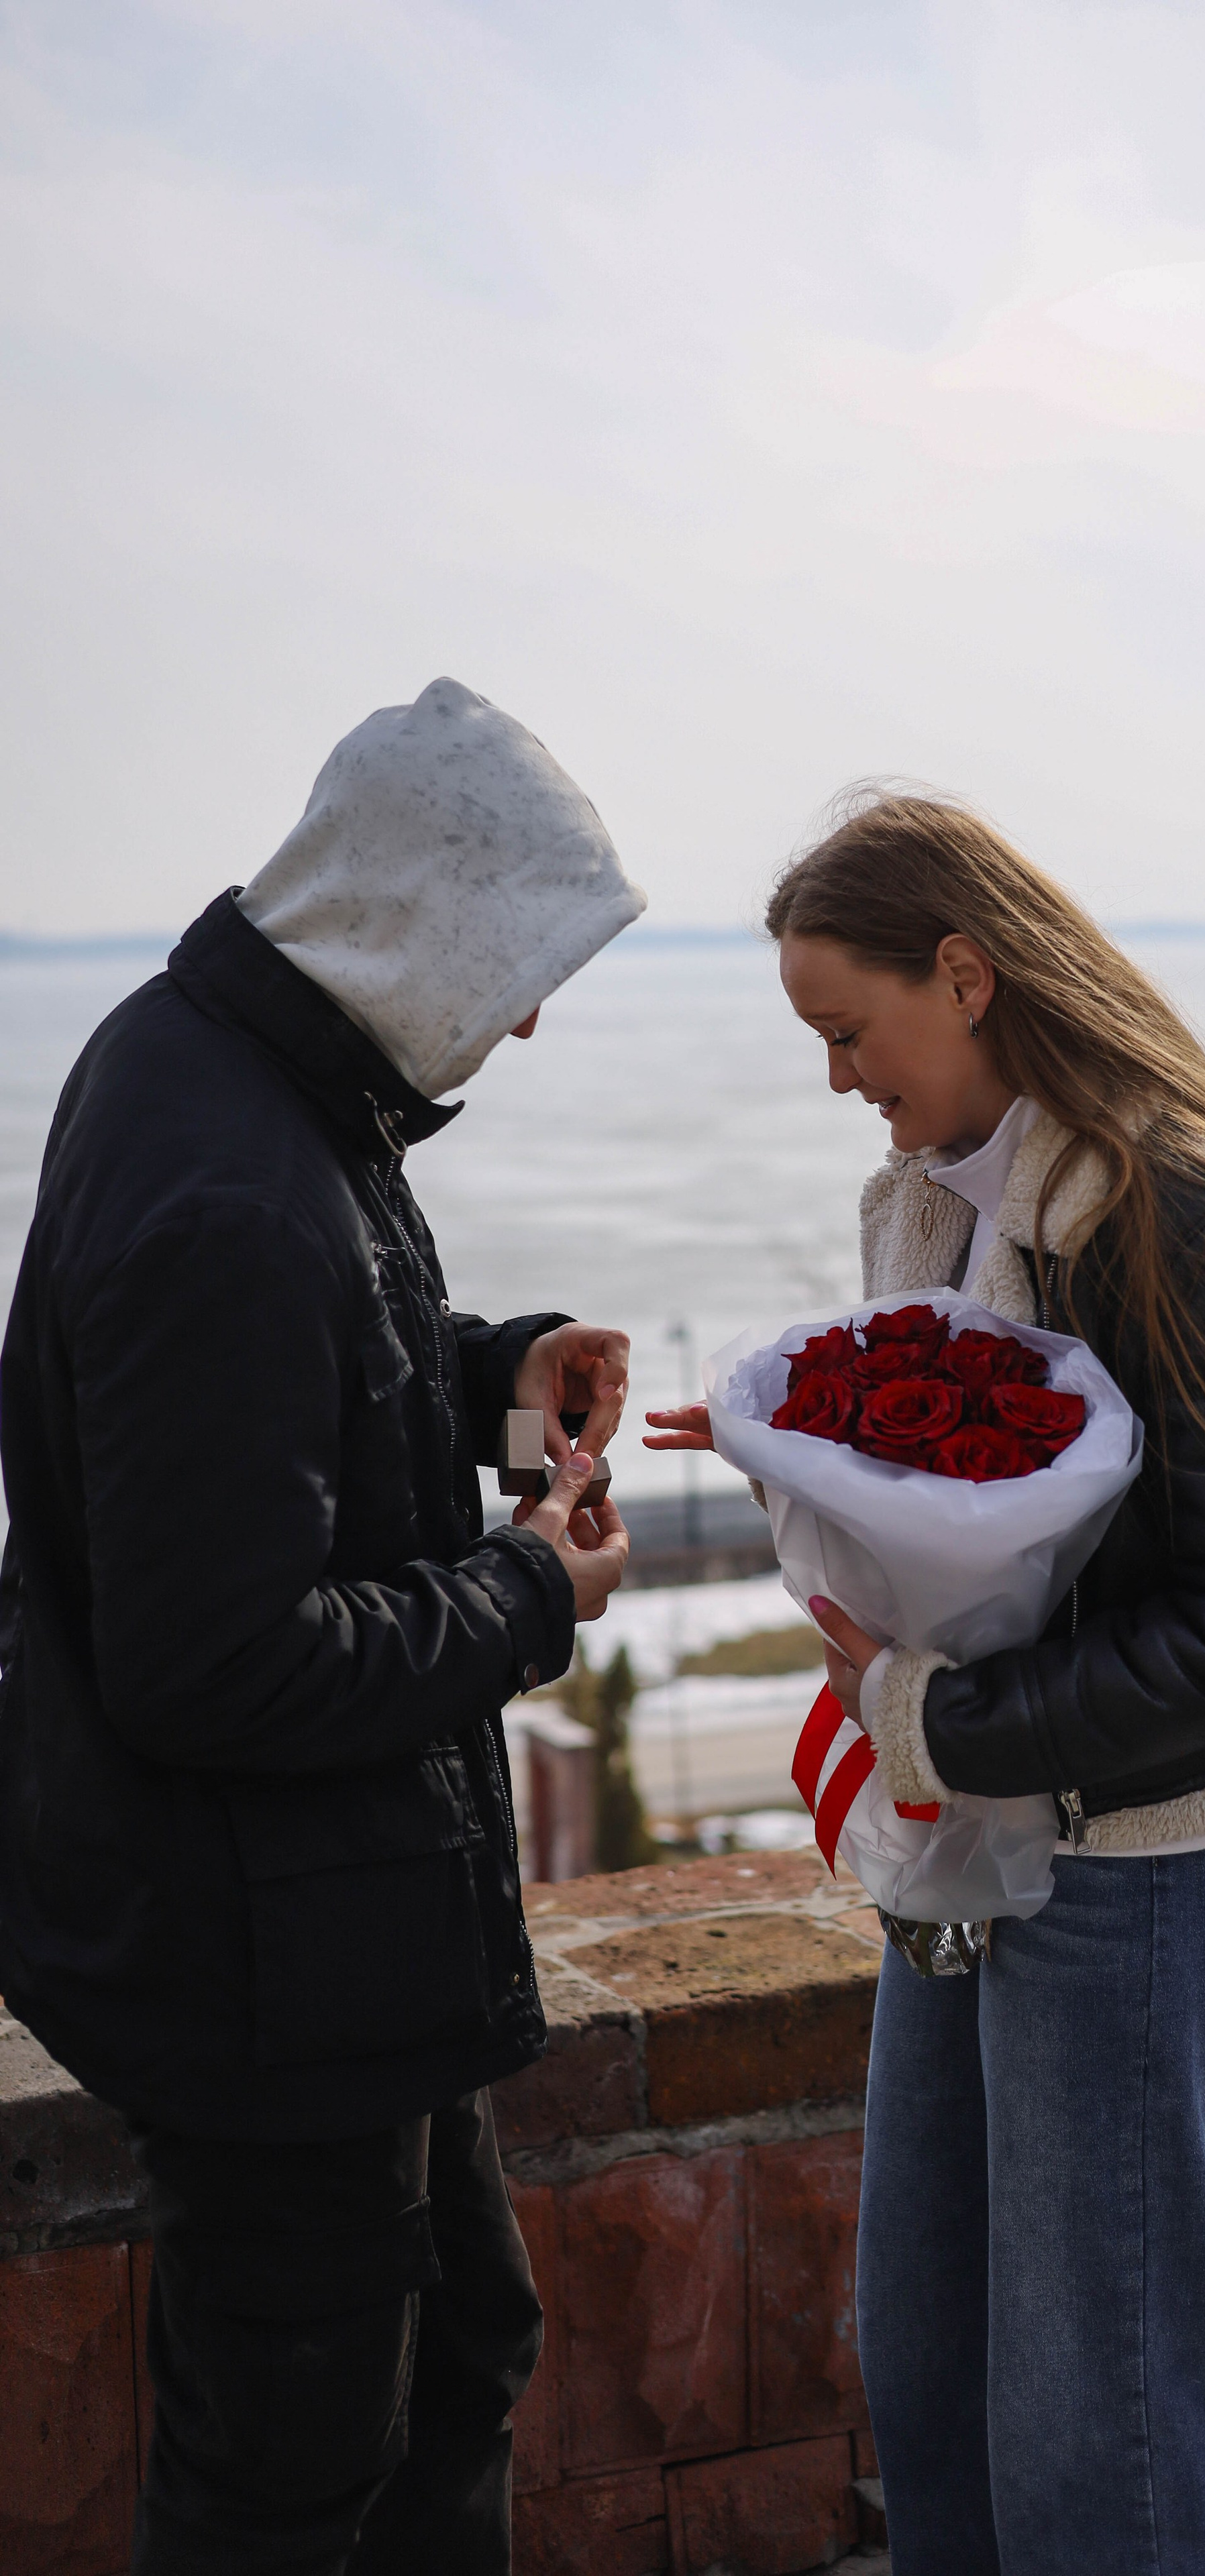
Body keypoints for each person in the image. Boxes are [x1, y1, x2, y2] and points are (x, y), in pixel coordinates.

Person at [645, 791, 1205, 2576]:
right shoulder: (932, 1201)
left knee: (1108, 2424)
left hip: (1141, 1862)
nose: (837, 1075)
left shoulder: (1185, 1216)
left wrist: (937, 1723)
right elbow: (1003, 1522)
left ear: (967, 974)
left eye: (849, 1030)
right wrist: (802, 1454)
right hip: (972, 1846)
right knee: (933, 2360)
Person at [0, 678, 643, 2574]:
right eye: (519, 963)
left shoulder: (231, 1069)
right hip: (258, 1959)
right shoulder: (236, 1177)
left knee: (456, 2357)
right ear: (422, 920)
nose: (526, 1014)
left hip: (321, 1936)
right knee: (289, 2471)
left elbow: (269, 1407)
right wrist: (534, 1594)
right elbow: (222, 1663)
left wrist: (499, 1377)